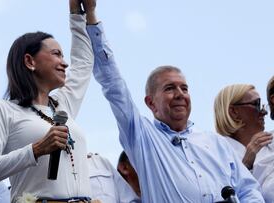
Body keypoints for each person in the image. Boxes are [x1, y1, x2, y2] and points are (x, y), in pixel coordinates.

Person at [87, 5, 264, 202]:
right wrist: (92, 18)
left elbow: (249, 190)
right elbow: (113, 85)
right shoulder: (143, 137)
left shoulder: (217, 144)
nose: (180, 94)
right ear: (150, 103)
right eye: (170, 88)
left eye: (185, 88)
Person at [0, 1, 100, 202]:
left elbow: (83, 63)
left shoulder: (62, 105)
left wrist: (79, 13)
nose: (64, 63)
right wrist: (36, 149)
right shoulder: (3, 110)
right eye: (56, 54)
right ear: (30, 61)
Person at [214, 84, 274, 202]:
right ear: (234, 111)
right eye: (256, 104)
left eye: (262, 105)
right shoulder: (216, 153)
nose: (264, 112)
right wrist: (245, 166)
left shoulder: (271, 141)